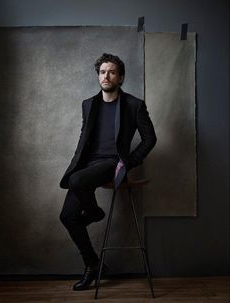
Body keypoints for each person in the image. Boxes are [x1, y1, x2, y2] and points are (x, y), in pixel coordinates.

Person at [59, 53, 157, 291]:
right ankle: (93, 264)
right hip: (88, 164)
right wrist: (77, 161)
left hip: (113, 163)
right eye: (103, 72)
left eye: (112, 72)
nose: (106, 76)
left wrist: (130, 162)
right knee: (68, 216)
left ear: (120, 77)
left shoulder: (134, 105)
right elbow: (84, 138)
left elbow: (150, 138)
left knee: (76, 180)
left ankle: (94, 213)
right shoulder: (88, 104)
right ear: (98, 75)